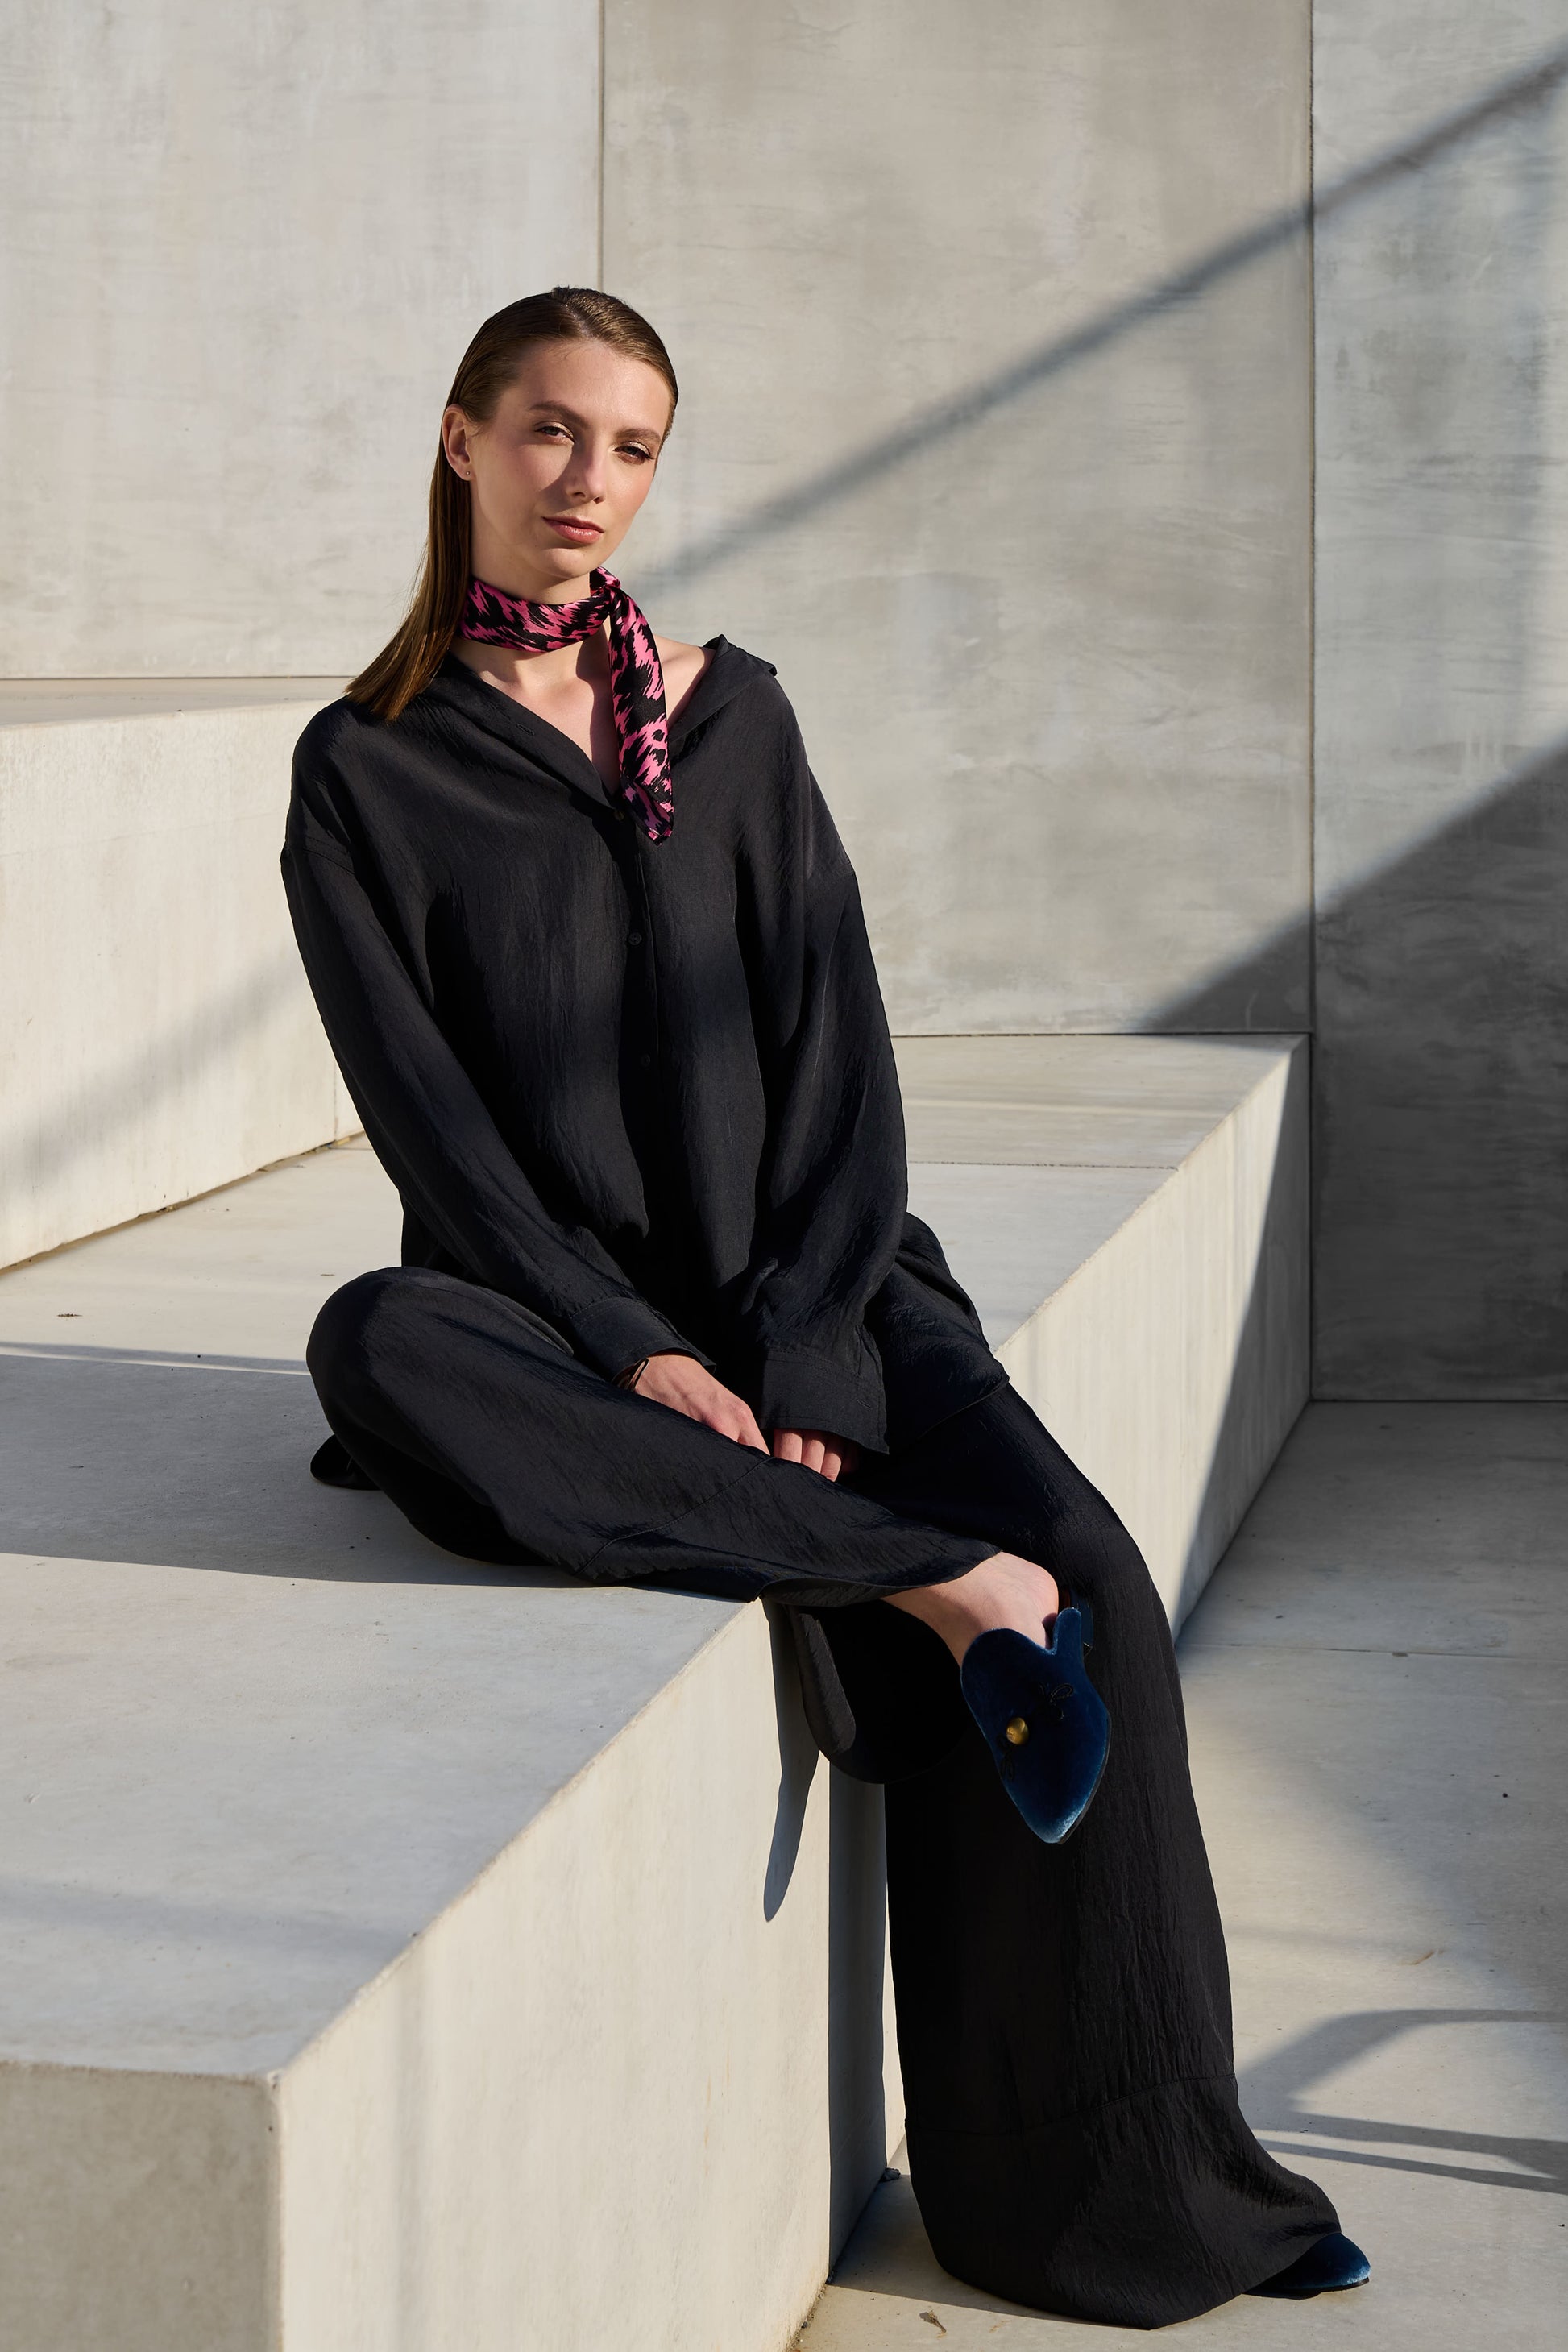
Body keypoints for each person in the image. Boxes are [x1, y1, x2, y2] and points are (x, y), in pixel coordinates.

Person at [282, 287, 1367, 2328]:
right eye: (548, 433)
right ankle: (921, 1575)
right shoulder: (365, 770)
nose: (588, 482)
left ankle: (1113, 2191)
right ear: (459, 443)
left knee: (1106, 1593)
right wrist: (640, 1353)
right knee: (376, 1338)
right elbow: (433, 1134)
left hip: (833, 1275)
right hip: (556, 1324)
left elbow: (843, 1064)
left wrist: (783, 1345)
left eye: (633, 446)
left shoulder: (733, 715)